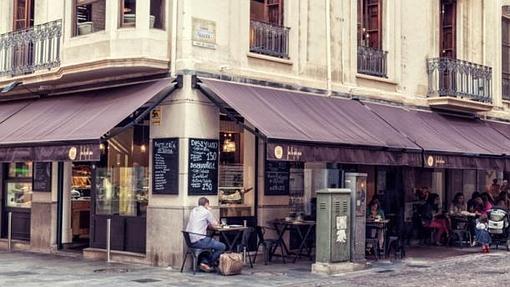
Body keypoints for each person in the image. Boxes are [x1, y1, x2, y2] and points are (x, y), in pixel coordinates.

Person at [185, 197, 225, 272]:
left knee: (210, 245)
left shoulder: (193, 210)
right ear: (206, 204)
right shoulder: (206, 212)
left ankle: (204, 262)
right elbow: (215, 224)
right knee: (221, 246)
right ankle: (208, 263)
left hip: (190, 241)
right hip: (199, 240)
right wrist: (209, 211)